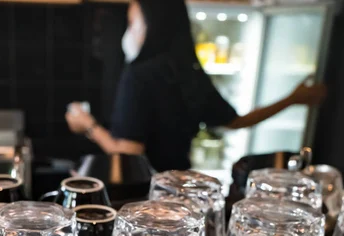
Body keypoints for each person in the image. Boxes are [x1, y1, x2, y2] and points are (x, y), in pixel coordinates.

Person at [65, 0, 327, 172]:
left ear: (153, 25)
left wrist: (88, 126)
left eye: (133, 23)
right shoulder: (188, 72)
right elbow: (237, 121)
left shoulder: (139, 75)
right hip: (181, 184)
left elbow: (128, 152)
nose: (129, 32)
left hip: (148, 192)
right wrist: (292, 98)